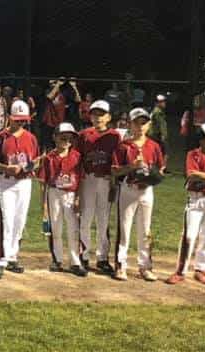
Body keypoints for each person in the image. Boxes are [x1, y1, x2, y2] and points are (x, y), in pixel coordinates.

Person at [167, 122, 205, 285]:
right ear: (201, 140)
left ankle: (201, 269)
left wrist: (202, 175)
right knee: (189, 235)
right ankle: (181, 270)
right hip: (195, 198)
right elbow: (191, 175)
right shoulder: (193, 154)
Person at [111, 108, 165, 281]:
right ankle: (121, 265)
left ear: (149, 125)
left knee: (145, 229)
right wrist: (132, 167)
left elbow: (160, 167)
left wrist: (155, 175)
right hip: (128, 189)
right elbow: (114, 171)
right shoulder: (123, 146)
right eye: (137, 123)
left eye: (144, 122)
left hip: (147, 190)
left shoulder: (153, 146)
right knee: (124, 229)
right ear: (130, 124)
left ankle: (145, 266)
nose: (140, 126)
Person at [0, 100, 40, 279]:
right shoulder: (0, 137)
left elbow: (36, 161)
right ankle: (1, 259)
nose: (20, 123)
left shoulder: (31, 138)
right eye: (17, 120)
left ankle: (12, 257)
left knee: (20, 221)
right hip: (6, 182)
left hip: (24, 182)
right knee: (6, 220)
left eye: (23, 120)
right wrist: (7, 168)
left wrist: (29, 167)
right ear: (10, 118)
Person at [78, 100, 123, 275]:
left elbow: (117, 160)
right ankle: (84, 255)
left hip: (105, 180)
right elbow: (78, 160)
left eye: (101, 114)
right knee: (86, 217)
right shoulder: (83, 135)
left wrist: (113, 182)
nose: (98, 117)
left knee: (103, 219)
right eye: (94, 113)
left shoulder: (115, 136)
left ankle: (102, 257)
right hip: (87, 179)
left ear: (109, 117)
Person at [38, 122, 84, 275]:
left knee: (73, 228)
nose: (66, 141)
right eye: (62, 137)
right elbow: (43, 182)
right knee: (55, 227)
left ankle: (75, 261)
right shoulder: (49, 157)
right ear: (55, 137)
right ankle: (57, 260)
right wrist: (43, 203)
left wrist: (78, 198)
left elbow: (81, 180)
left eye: (69, 138)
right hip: (54, 192)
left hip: (71, 194)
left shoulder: (77, 156)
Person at [41, 79, 68, 149]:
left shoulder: (63, 94)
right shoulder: (48, 91)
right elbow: (49, 97)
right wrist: (58, 84)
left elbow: (77, 99)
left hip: (59, 122)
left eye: (54, 82)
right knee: (47, 144)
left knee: (58, 143)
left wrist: (73, 86)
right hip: (49, 122)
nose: (52, 84)